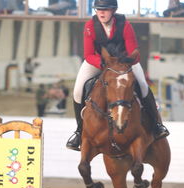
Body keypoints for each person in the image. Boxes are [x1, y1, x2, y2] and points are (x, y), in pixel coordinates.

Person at [66, 0, 169, 151]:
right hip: (98, 62)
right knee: (77, 91)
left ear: (113, 10)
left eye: (105, 9)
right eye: (98, 9)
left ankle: (156, 125)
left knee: (143, 85)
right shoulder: (90, 26)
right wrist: (103, 64)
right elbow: (88, 54)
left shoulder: (125, 25)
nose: (101, 12)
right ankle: (79, 132)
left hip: (124, 62)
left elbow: (134, 51)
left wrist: (123, 63)